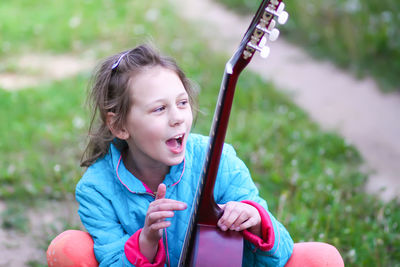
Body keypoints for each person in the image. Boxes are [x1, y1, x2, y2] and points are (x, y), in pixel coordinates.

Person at [47, 44, 344, 267]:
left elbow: (280, 251)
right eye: (159, 109)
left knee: (322, 257)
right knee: (68, 247)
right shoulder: (97, 189)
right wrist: (146, 240)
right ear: (119, 125)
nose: (177, 118)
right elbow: (112, 261)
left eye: (182, 102)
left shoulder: (218, 160)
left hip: (221, 262)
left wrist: (255, 220)